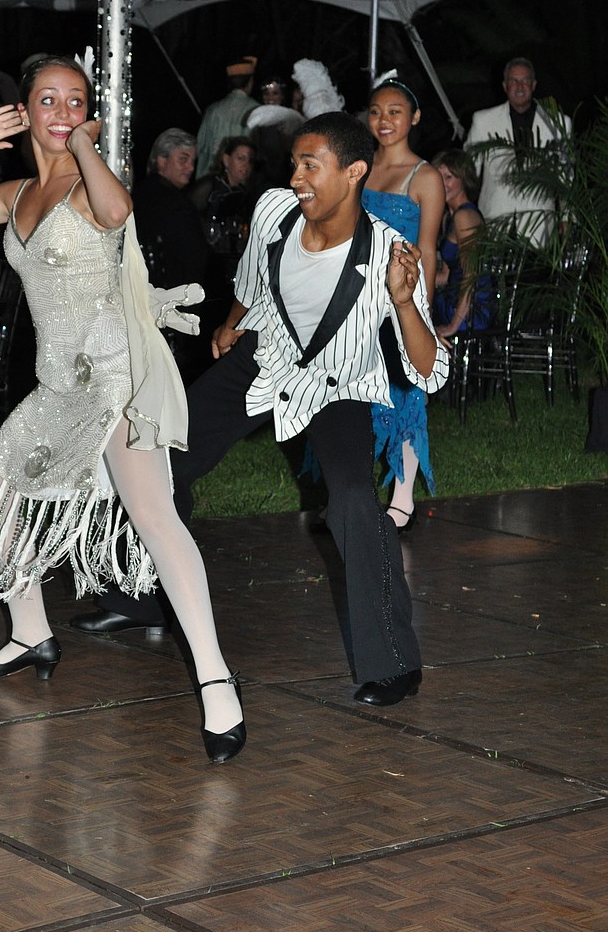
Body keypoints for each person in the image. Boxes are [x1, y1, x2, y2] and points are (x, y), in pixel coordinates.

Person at [0, 54, 245, 763]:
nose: (62, 110)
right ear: (26, 110)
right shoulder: (17, 192)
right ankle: (31, 631)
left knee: (155, 518)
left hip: (116, 377)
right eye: (49, 100)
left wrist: (87, 141)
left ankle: (217, 683)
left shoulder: (90, 180)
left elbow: (119, 212)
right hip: (60, 385)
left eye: (75, 99)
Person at [74, 112, 449, 705]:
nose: (296, 176)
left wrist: (404, 304)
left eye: (310, 165)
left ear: (353, 173)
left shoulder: (389, 255)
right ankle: (142, 597)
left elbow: (431, 370)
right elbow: (252, 280)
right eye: (294, 163)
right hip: (262, 360)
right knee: (155, 457)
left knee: (352, 501)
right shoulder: (276, 210)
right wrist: (230, 323)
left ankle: (395, 662)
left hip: (337, 384)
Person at [362, 77, 445, 533]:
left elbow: (429, 249)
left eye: (395, 111)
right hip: (357, 299)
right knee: (356, 393)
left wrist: (424, 310)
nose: (384, 120)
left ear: (414, 118)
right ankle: (351, 492)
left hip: (402, 300)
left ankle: (403, 496)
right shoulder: (359, 165)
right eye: (376, 111)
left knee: (406, 393)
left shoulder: (425, 176)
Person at [464, 57, 572, 248]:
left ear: (534, 84)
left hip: (540, 225)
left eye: (525, 80)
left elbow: (566, 176)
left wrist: (567, 217)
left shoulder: (559, 123)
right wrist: (461, 213)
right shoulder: (483, 121)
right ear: (505, 86)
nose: (519, 86)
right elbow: (468, 171)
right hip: (494, 221)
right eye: (514, 81)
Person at [134, 128, 214, 382]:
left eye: (192, 160)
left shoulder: (140, 194)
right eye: (183, 159)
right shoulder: (174, 203)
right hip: (174, 308)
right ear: (161, 160)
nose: (190, 167)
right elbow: (197, 261)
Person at [431, 150, 491, 342]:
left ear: (463, 180)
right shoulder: (450, 216)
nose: (441, 182)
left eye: (448, 177)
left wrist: (453, 325)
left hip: (471, 309)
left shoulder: (464, 216)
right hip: (454, 298)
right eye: (438, 176)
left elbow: (471, 275)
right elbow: (445, 276)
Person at [195, 55, 258, 177]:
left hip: (209, 182)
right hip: (242, 182)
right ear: (250, 82)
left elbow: (200, 147)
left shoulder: (212, 110)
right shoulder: (258, 110)